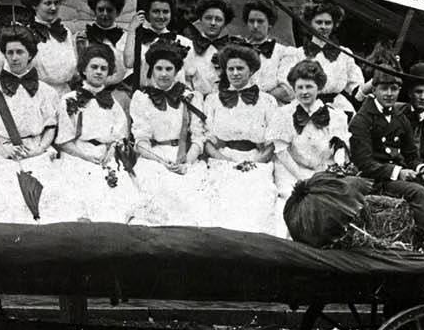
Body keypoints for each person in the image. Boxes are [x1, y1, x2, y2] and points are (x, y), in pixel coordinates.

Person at [348, 62, 424, 255]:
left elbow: (411, 154)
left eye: (394, 89)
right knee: (417, 192)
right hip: (377, 179)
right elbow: (365, 163)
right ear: (374, 90)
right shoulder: (362, 120)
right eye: (384, 88)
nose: (389, 94)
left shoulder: (398, 118)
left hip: (399, 173)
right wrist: (399, 172)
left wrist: (420, 169)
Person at [195, 42, 280, 234]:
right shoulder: (213, 100)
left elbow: (273, 143)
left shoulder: (267, 101)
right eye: (230, 69)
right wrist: (223, 160)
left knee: (255, 195)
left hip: (256, 158)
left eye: (240, 68)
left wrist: (255, 162)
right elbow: (207, 139)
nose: (235, 73)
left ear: (251, 70)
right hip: (222, 157)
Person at [47, 42, 137, 222]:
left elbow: (119, 137)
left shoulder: (113, 104)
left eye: (104, 68)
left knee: (117, 194)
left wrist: (110, 152)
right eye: (94, 67)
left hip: (105, 155)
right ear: (84, 70)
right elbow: (64, 142)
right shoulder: (69, 100)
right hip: (77, 154)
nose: (98, 72)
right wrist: (86, 157)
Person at [0, 27, 62, 222]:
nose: (15, 58)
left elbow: (51, 127)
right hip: (5, 150)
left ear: (30, 55)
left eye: (20, 52)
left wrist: (40, 149)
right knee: (8, 201)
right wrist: (2, 151)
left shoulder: (46, 91)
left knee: (45, 201)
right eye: (10, 52)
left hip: (37, 149)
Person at [126, 43, 209, 226]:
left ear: (177, 70)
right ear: (152, 70)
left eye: (169, 69)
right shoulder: (142, 98)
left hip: (184, 157)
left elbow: (198, 137)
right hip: (154, 158)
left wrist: (187, 161)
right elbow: (140, 141)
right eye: (159, 68)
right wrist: (161, 161)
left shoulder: (191, 97)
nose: (164, 74)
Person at [270, 58, 350, 200]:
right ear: (294, 89)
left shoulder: (335, 115)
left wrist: (337, 168)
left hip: (323, 171)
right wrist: (302, 177)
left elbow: (339, 147)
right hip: (292, 173)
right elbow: (281, 152)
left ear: (318, 88)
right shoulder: (283, 114)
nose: (304, 92)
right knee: (297, 199)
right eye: (300, 87)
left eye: (309, 87)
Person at [298, 0, 366, 116]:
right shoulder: (297, 54)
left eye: (328, 23)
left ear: (334, 24)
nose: (323, 27)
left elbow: (356, 89)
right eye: (319, 22)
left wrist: (373, 83)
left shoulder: (344, 54)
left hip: (338, 108)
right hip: (307, 107)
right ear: (309, 23)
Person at [123, 0, 192, 88]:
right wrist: (132, 30)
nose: (161, 16)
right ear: (147, 13)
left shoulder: (184, 42)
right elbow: (129, 63)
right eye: (156, 11)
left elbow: (190, 75)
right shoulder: (136, 38)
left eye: (165, 12)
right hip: (145, 96)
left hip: (174, 98)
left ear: (171, 13)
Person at [241, 0, 299, 103]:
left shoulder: (283, 53)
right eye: (251, 21)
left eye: (260, 21)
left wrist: (258, 101)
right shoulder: (238, 49)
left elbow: (287, 90)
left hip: (274, 108)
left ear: (270, 24)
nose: (255, 26)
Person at [27, 0, 79, 93]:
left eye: (56, 3)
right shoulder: (27, 33)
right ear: (35, 5)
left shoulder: (65, 32)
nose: (53, 8)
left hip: (65, 92)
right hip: (38, 93)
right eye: (48, 3)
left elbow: (74, 68)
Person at [182, 0, 234, 95]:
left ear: (225, 23)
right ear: (200, 19)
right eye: (208, 18)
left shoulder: (231, 49)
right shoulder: (188, 47)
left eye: (218, 19)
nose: (213, 23)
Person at [80, 0, 131, 87]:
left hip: (117, 90)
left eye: (109, 10)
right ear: (94, 10)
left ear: (118, 12)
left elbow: (127, 70)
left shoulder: (126, 38)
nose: (105, 14)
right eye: (100, 9)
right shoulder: (83, 37)